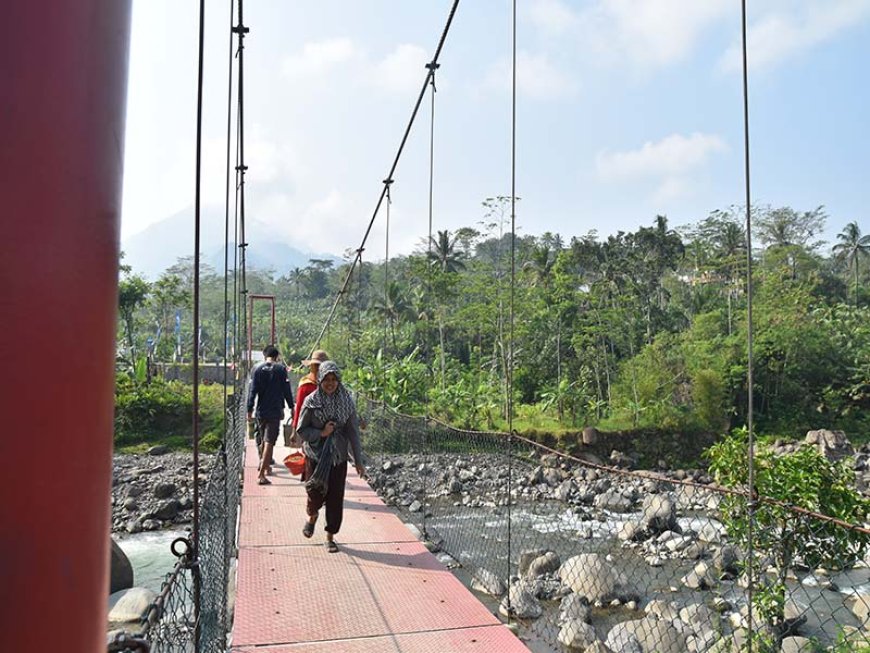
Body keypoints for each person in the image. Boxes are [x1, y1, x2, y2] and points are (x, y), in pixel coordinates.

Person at [296, 360, 366, 552]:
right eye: (326, 379)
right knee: (314, 493)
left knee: (336, 497)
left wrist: (358, 462)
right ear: (320, 380)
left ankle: (330, 536)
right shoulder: (311, 401)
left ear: (339, 380)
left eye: (334, 379)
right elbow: (301, 430)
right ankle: (312, 517)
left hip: (338, 457)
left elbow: (353, 433)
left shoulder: (347, 401)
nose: (330, 383)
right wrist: (322, 433)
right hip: (316, 456)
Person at [246, 345, 294, 485]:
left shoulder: (257, 369)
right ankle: (262, 473)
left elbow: (252, 391)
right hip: (275, 410)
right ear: (277, 356)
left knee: (263, 439)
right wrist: (291, 407)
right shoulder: (281, 369)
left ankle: (265, 465)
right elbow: (287, 391)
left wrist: (249, 409)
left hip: (260, 410)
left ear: (264, 355)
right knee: (269, 441)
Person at [292, 349, 329, 431]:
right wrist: (295, 429)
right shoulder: (306, 385)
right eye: (315, 365)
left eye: (320, 366)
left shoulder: (331, 384)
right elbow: (299, 407)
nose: (318, 368)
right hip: (310, 428)